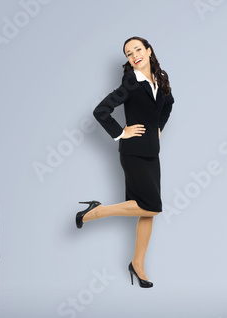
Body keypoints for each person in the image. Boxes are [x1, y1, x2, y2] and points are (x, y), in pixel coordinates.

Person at [75, 36, 175, 288]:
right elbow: (101, 111)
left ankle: (137, 264)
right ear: (128, 59)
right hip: (132, 153)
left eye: (138, 49)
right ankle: (96, 211)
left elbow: (169, 104)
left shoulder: (160, 77)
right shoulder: (130, 83)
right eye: (129, 53)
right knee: (150, 206)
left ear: (149, 50)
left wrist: (158, 127)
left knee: (146, 211)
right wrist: (121, 132)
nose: (134, 55)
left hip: (152, 152)